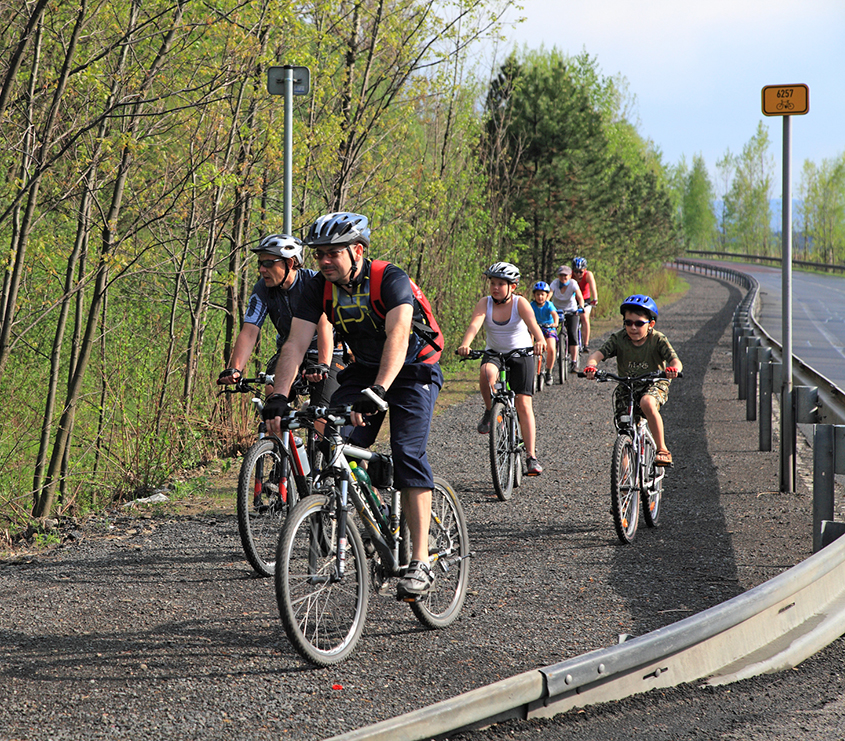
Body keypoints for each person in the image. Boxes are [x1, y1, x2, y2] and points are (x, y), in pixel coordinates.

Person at [262, 212, 443, 599]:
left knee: (407, 451)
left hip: (413, 368)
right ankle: (367, 522)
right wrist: (279, 395)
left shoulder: (389, 278)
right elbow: (294, 344)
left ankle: (422, 559)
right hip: (363, 370)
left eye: (333, 254)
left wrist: (379, 389)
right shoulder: (319, 289)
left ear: (357, 250)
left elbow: (399, 334)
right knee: (332, 440)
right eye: (319, 255)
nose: (324, 261)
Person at [216, 234, 342, 406]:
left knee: (321, 414)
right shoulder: (262, 289)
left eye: (268, 263)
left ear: (289, 263)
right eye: (260, 263)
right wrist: (235, 369)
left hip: (327, 352)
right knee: (271, 392)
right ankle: (278, 431)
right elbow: (250, 331)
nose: (261, 269)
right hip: (290, 352)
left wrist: (323, 364)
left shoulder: (313, 283)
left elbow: (324, 327)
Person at [456, 262, 547, 476]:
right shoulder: (484, 303)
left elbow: (533, 325)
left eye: (500, 284)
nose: (495, 287)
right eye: (493, 283)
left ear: (513, 286)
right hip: (494, 353)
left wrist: (540, 340)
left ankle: (531, 457)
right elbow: (475, 324)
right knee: (487, 373)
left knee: (523, 403)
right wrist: (466, 344)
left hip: (521, 354)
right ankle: (490, 411)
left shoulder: (520, 303)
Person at [583, 294, 682, 467]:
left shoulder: (657, 339)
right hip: (627, 385)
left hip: (654, 383)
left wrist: (673, 370)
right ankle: (625, 479)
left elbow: (675, 361)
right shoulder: (618, 338)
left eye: (638, 323)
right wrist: (591, 366)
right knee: (624, 428)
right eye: (628, 323)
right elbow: (597, 355)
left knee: (647, 403)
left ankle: (662, 450)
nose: (632, 327)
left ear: (650, 324)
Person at [548, 265, 585, 373]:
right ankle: (556, 353)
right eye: (561, 275)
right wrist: (545, 305)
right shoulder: (555, 283)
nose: (563, 277)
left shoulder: (573, 283)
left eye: (565, 275)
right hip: (557, 310)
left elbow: (580, 297)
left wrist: (581, 307)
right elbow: (549, 296)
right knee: (552, 332)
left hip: (571, 311)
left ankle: (573, 362)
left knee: (573, 334)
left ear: (570, 276)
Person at [529, 281, 559, 385]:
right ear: (534, 295)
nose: (540, 297)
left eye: (542, 294)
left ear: (547, 295)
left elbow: (555, 314)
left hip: (548, 328)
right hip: (536, 327)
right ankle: (530, 368)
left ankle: (549, 372)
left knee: (551, 349)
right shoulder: (531, 305)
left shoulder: (548, 304)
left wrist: (555, 323)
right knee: (529, 344)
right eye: (538, 294)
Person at [571, 256, 598, 352]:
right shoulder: (569, 275)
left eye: (580, 272)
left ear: (585, 270)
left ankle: (585, 344)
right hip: (573, 300)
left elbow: (593, 288)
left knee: (584, 317)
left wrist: (595, 299)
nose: (578, 274)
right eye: (576, 271)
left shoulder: (588, 275)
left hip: (586, 300)